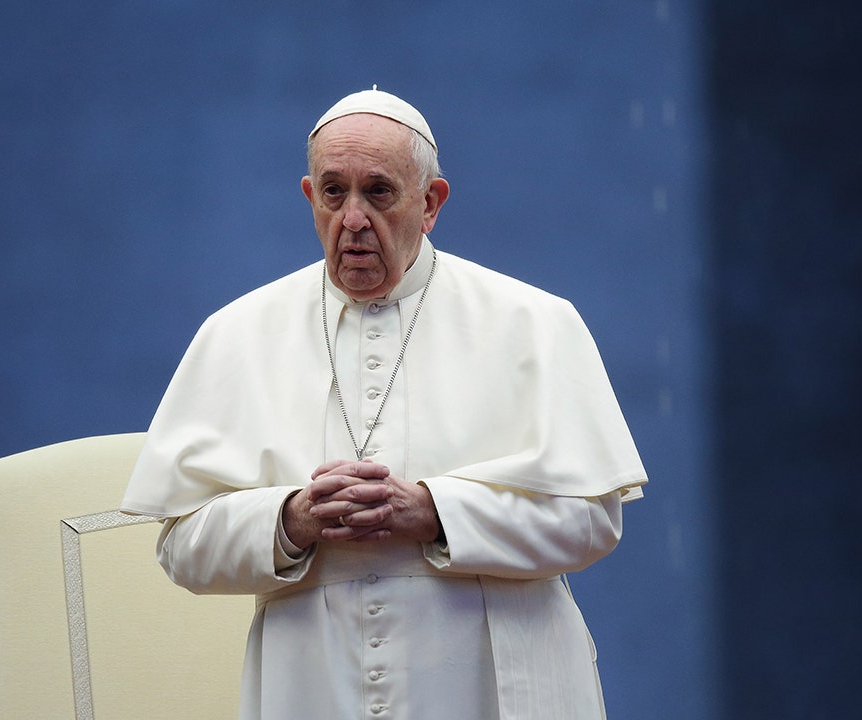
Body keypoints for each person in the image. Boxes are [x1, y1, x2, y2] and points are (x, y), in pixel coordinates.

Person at [121, 88, 648, 720]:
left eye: (378, 192)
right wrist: (291, 519)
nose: (352, 220)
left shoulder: (534, 322)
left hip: (493, 686)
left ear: (430, 203)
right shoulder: (235, 334)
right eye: (334, 192)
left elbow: (592, 522)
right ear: (310, 198)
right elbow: (182, 545)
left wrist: (435, 511)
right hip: (313, 686)